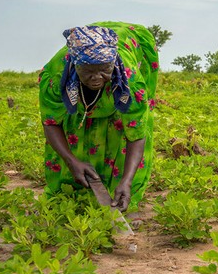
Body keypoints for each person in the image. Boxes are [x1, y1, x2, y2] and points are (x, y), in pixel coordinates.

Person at [39, 22, 159, 211]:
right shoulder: (56, 74)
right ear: (75, 65)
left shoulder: (130, 79)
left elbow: (137, 132)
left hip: (128, 48)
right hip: (73, 74)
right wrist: (71, 160)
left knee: (120, 125)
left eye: (104, 70)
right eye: (87, 72)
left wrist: (127, 180)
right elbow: (51, 122)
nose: (96, 78)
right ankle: (73, 189)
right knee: (73, 127)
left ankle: (126, 195)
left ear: (113, 63)